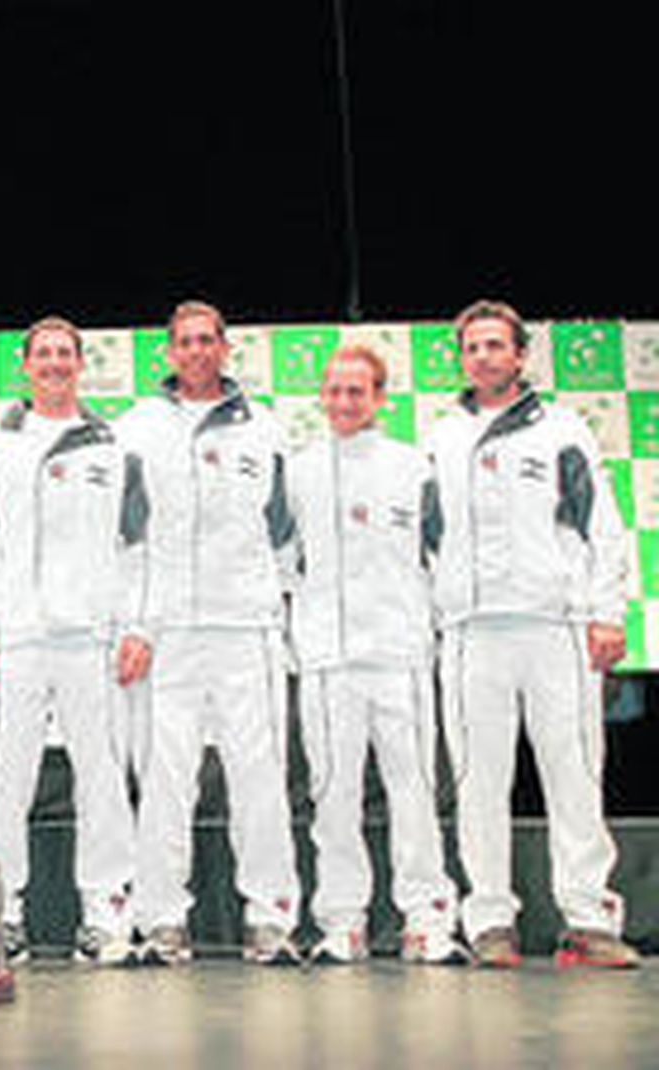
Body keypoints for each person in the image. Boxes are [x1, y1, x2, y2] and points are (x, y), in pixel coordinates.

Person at [428, 299, 639, 968]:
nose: (483, 357)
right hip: (470, 633)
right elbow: (425, 541)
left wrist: (608, 611)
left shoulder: (564, 430)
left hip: (556, 626)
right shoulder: (441, 437)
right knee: (477, 781)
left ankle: (590, 918)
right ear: (462, 358)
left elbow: (602, 526)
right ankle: (490, 920)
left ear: (520, 356)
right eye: (472, 348)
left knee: (575, 773)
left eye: (495, 346)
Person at [116, 300, 300, 965]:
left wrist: (278, 613)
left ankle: (270, 915)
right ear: (168, 352)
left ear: (225, 348)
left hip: (246, 626)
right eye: (183, 342)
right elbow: (124, 535)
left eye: (206, 341)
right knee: (166, 776)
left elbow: (286, 537)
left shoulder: (267, 430)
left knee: (259, 773)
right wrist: (133, 622)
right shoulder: (136, 428)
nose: (195, 351)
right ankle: (163, 918)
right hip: (167, 629)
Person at [0, 315, 137, 965]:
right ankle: (2, 914)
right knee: (7, 776)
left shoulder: (111, 446)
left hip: (91, 639)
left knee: (101, 775)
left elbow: (136, 546)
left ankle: (106, 913)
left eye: (66, 354)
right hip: (18, 638)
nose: (55, 364)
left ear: (80, 364)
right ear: (25, 366)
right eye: (44, 355)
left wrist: (135, 626)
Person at [284, 345, 462, 964]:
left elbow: (442, 557)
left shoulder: (414, 468)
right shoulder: (298, 470)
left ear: (380, 397)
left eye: (356, 391)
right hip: (327, 662)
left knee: (414, 790)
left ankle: (427, 918)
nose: (342, 402)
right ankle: (341, 921)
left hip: (400, 656)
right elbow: (282, 560)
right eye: (333, 390)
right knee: (332, 796)